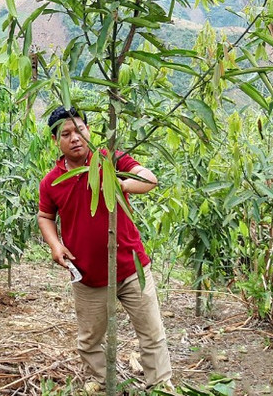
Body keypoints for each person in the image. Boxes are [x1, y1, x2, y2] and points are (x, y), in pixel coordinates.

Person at [36, 107, 173, 392]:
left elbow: (148, 178)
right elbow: (45, 216)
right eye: (66, 134)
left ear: (89, 130)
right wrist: (55, 244)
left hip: (132, 266)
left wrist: (120, 183)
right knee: (89, 339)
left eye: (80, 130)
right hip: (87, 275)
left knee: (151, 333)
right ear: (55, 140)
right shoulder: (51, 182)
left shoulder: (111, 160)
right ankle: (102, 382)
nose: (75, 138)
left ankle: (160, 386)